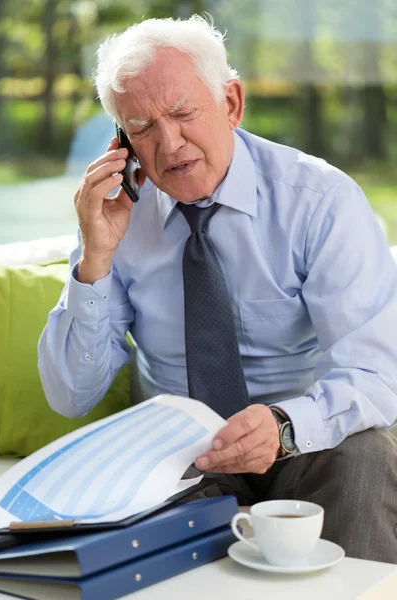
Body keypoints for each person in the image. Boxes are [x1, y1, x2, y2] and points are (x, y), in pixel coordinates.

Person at [38, 15, 397, 563]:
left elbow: (377, 375)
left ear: (231, 103)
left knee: (368, 455)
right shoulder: (116, 219)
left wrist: (284, 426)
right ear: (122, 141)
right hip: (183, 455)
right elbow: (71, 395)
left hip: (307, 437)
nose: (169, 143)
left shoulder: (320, 202)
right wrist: (96, 259)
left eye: (183, 113)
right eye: (142, 127)